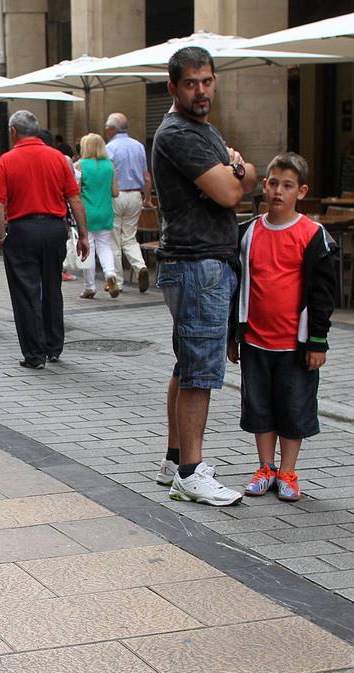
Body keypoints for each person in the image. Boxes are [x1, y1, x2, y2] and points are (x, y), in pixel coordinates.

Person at [151, 46, 257, 506]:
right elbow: (231, 190)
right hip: (198, 265)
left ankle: (175, 460)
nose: (201, 90)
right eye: (191, 83)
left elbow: (243, 173)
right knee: (200, 372)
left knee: (187, 363)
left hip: (194, 263)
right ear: (173, 87)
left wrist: (237, 169)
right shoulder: (180, 134)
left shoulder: (201, 130)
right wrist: (236, 171)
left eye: (207, 81)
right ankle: (191, 473)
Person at [228, 152, 336, 503]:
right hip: (256, 341)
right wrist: (235, 335)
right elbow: (237, 287)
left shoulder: (313, 236)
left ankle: (288, 470)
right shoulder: (247, 233)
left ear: (301, 191)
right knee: (259, 406)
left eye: (287, 185)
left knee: (293, 407)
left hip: (296, 345)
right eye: (273, 183)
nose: (278, 191)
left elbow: (322, 295)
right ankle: (265, 467)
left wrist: (317, 341)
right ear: (264, 185)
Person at [0, 110, 89, 369]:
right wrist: (84, 235)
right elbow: (75, 199)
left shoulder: (7, 160)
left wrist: (1, 235)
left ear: (13, 132)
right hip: (55, 228)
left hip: (23, 230)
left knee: (26, 291)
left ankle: (35, 353)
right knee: (52, 286)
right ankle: (54, 345)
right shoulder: (58, 158)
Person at [104, 112, 153, 292]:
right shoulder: (138, 146)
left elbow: (108, 175)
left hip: (116, 196)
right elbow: (146, 177)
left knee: (114, 239)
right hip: (135, 196)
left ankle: (118, 281)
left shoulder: (110, 148)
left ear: (112, 129)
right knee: (130, 237)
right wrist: (147, 199)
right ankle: (140, 267)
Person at [75, 133, 120, 299]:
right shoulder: (109, 166)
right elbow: (115, 192)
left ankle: (90, 287)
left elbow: (75, 191)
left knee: (88, 249)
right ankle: (110, 274)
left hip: (86, 213)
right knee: (105, 246)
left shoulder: (80, 166)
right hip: (106, 212)